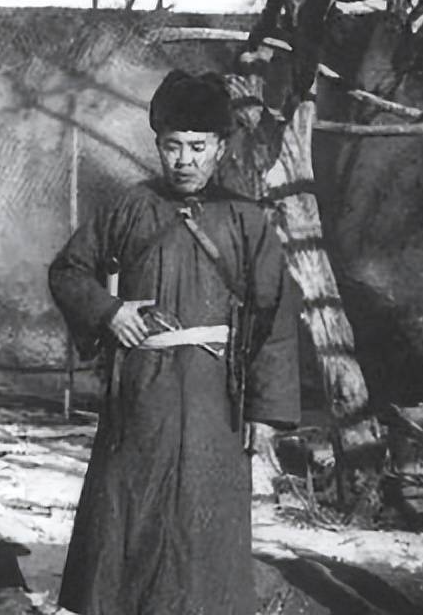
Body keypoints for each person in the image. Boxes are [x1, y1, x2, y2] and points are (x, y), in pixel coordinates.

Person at [50, 70, 302, 615]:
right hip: (142, 395)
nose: (184, 160)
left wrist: (266, 413)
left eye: (197, 147)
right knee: (131, 517)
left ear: (221, 148)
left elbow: (275, 315)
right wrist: (110, 311)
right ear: (158, 146)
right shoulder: (132, 207)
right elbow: (69, 271)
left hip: (217, 400)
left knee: (203, 530)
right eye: (172, 146)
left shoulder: (247, 220)